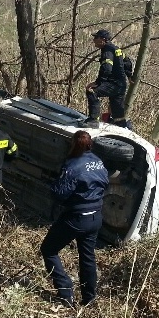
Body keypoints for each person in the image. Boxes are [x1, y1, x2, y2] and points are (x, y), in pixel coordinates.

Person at [40, 130, 109, 308]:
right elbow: (105, 183)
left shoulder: (72, 165)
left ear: (73, 144)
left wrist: (52, 184)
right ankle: (89, 298)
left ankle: (65, 291)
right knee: (87, 257)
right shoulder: (98, 162)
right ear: (90, 144)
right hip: (96, 218)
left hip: (77, 219)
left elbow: (60, 194)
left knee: (48, 249)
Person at [79, 29, 130, 129]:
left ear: (103, 39)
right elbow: (127, 61)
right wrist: (130, 75)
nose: (94, 40)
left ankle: (93, 120)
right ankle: (121, 127)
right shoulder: (116, 49)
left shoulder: (107, 50)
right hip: (121, 85)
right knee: (118, 114)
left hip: (113, 84)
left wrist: (98, 83)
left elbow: (106, 68)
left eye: (96, 38)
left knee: (91, 91)